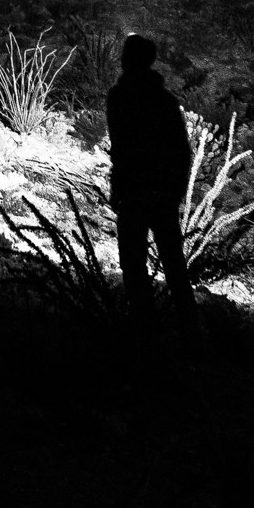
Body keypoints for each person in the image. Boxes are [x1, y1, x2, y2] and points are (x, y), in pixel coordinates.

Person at [103, 33, 195, 324]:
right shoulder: (165, 100)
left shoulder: (119, 97)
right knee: (174, 263)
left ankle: (143, 327)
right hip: (162, 193)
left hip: (133, 191)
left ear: (126, 60)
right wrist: (175, 191)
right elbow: (182, 150)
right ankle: (189, 326)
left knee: (132, 264)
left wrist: (118, 187)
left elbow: (120, 148)